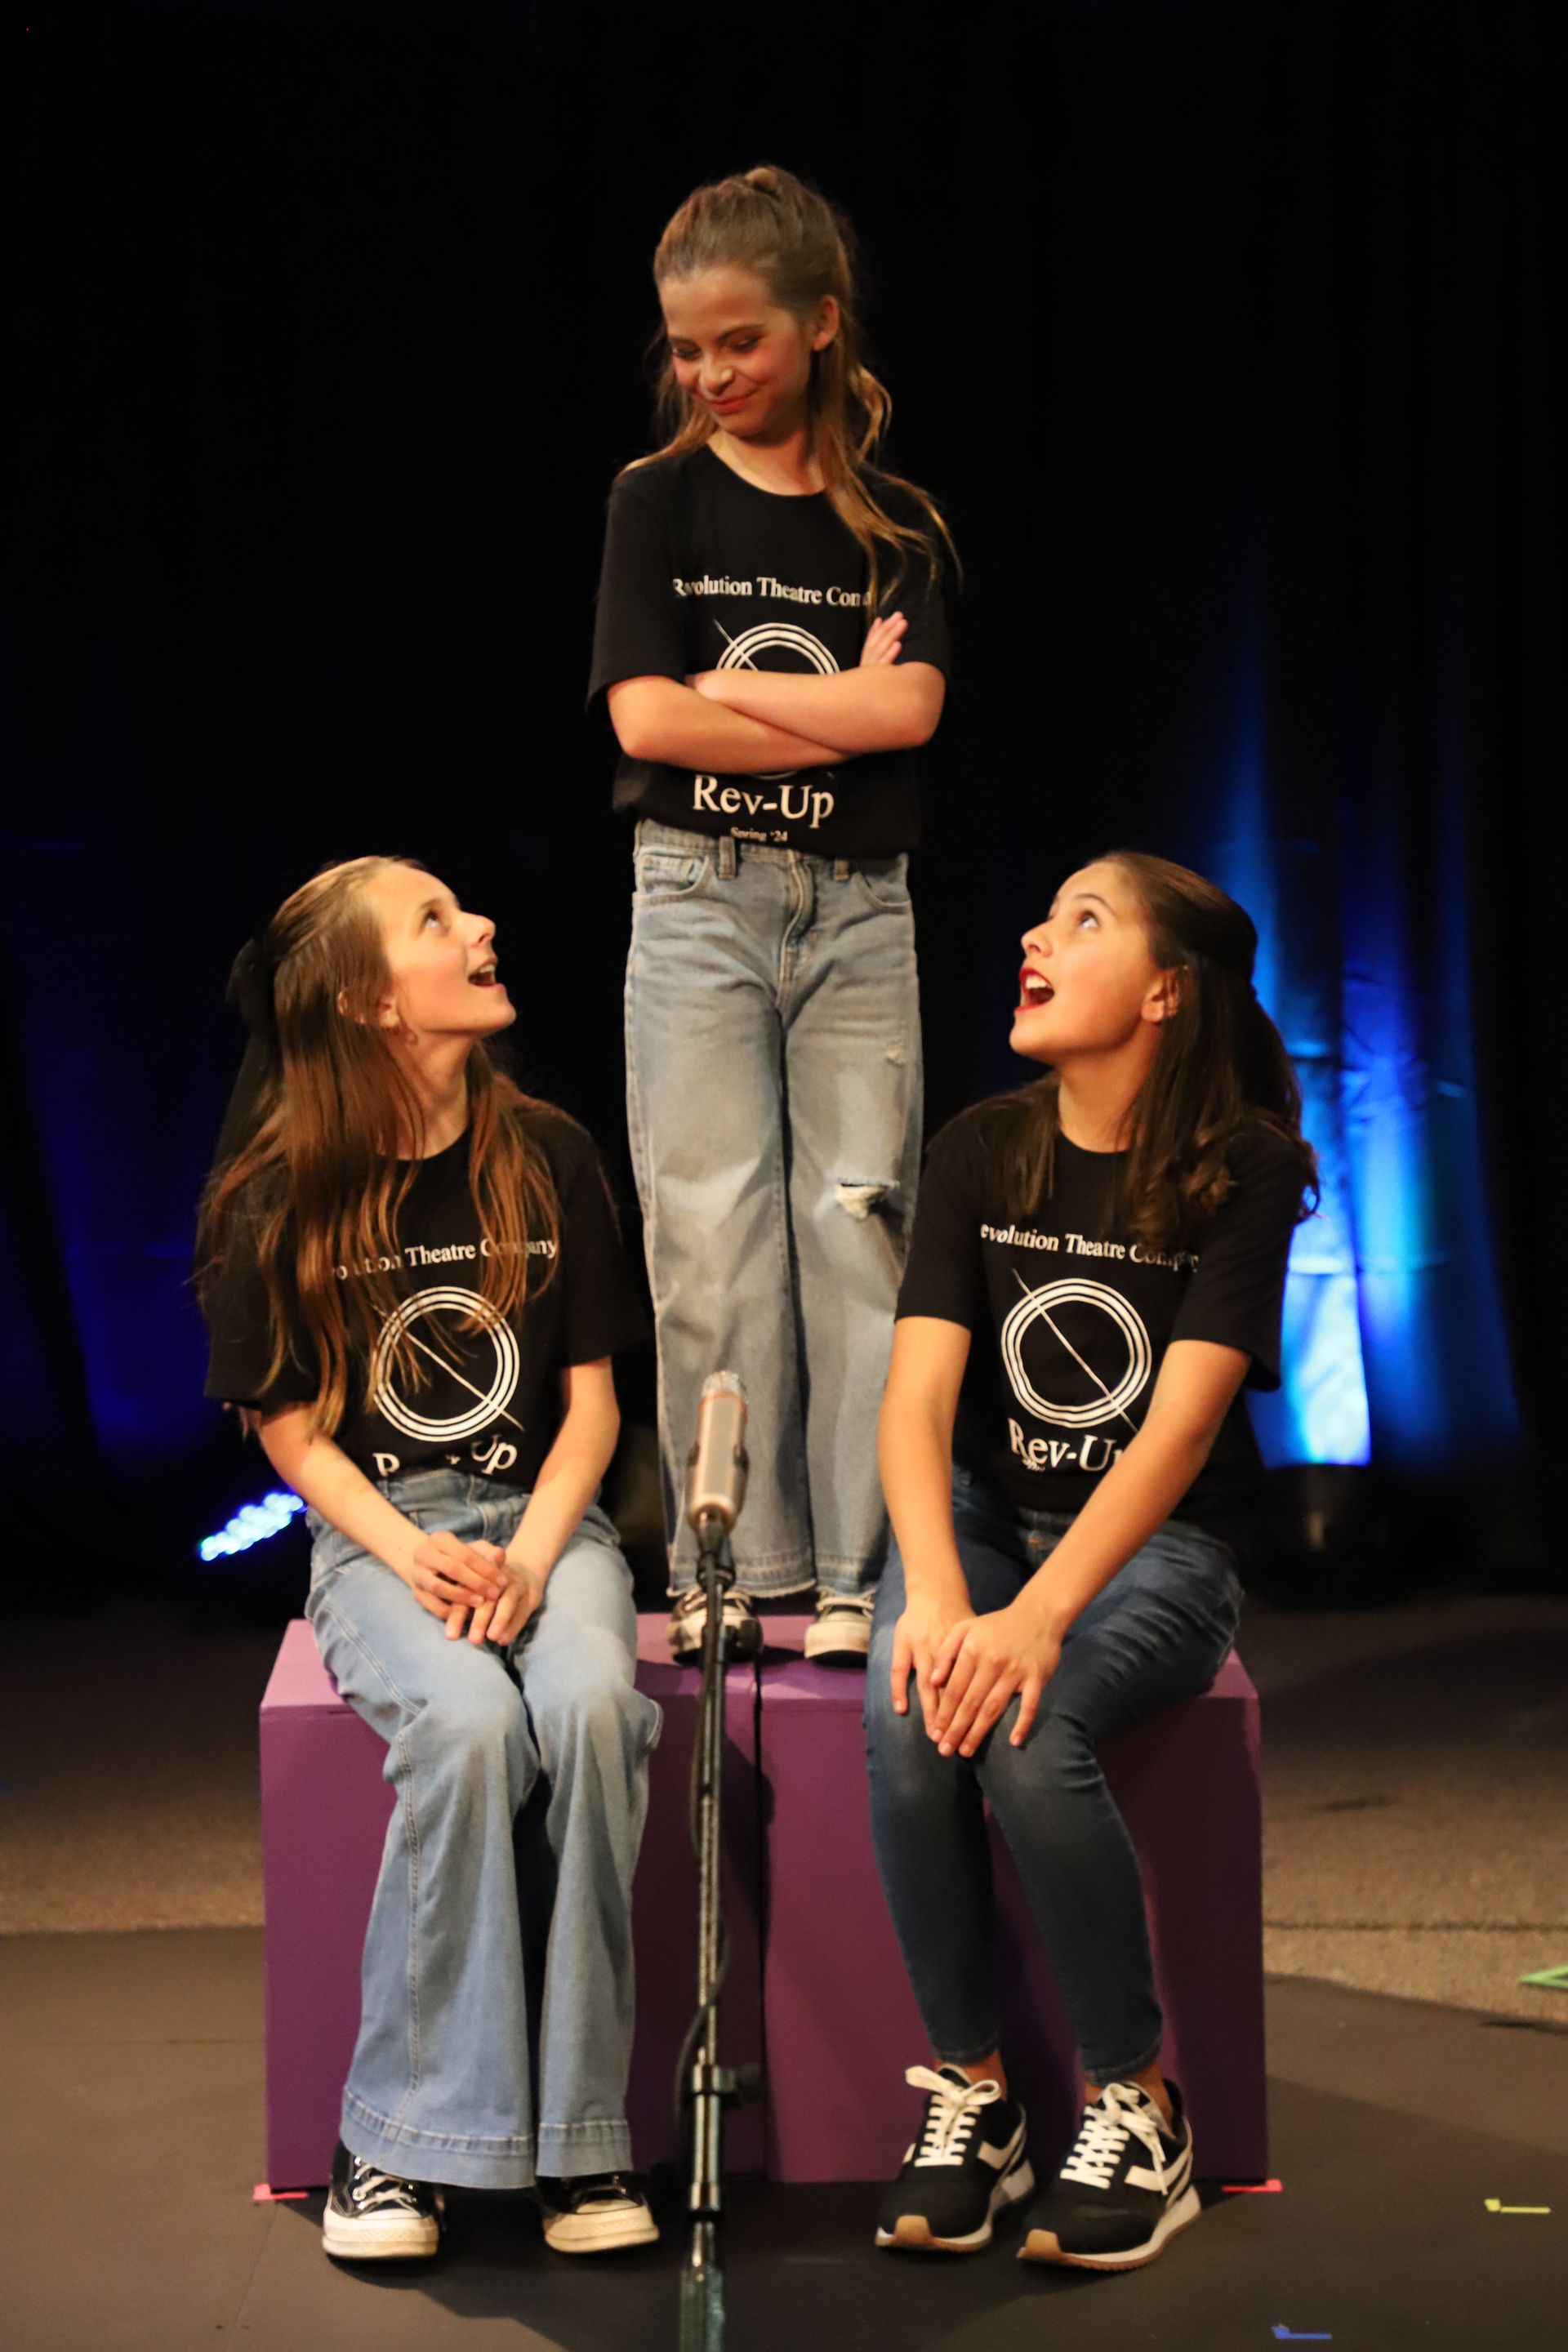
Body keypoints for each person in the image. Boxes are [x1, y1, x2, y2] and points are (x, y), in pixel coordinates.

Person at [199, 856, 660, 2263]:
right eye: (436, 921)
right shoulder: (277, 1191)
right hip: (380, 1542)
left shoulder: (553, 1152)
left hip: (546, 1521)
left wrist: (527, 1551)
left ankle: (581, 2143)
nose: (482, 928)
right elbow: (291, 1434)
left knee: (587, 1709)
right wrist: (410, 1555)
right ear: (365, 1000)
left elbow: (593, 1405)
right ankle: (398, 2143)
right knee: (464, 1728)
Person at [866, 852, 1316, 2270]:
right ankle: (977, 2099)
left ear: (1167, 990)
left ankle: (1139, 2101)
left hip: (1156, 1544)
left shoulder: (1245, 1166)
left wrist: (1039, 1619)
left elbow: (1178, 1436)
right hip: (985, 1516)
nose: (1035, 935)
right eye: (1045, 909)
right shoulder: (980, 1148)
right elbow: (918, 1403)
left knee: (1026, 1726)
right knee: (911, 1714)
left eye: (1083, 920)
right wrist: (940, 1592)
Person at [588, 163, 953, 1664]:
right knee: (712, 1232)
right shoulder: (655, 499)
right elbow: (644, 722)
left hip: (859, 908)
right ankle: (737, 1571)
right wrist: (827, 705)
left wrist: (724, 682)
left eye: (740, 343)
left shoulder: (899, 523)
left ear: (818, 324)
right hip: (700, 900)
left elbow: (917, 710)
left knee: (859, 1222)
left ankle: (864, 1578)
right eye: (688, 349)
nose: (711, 375)